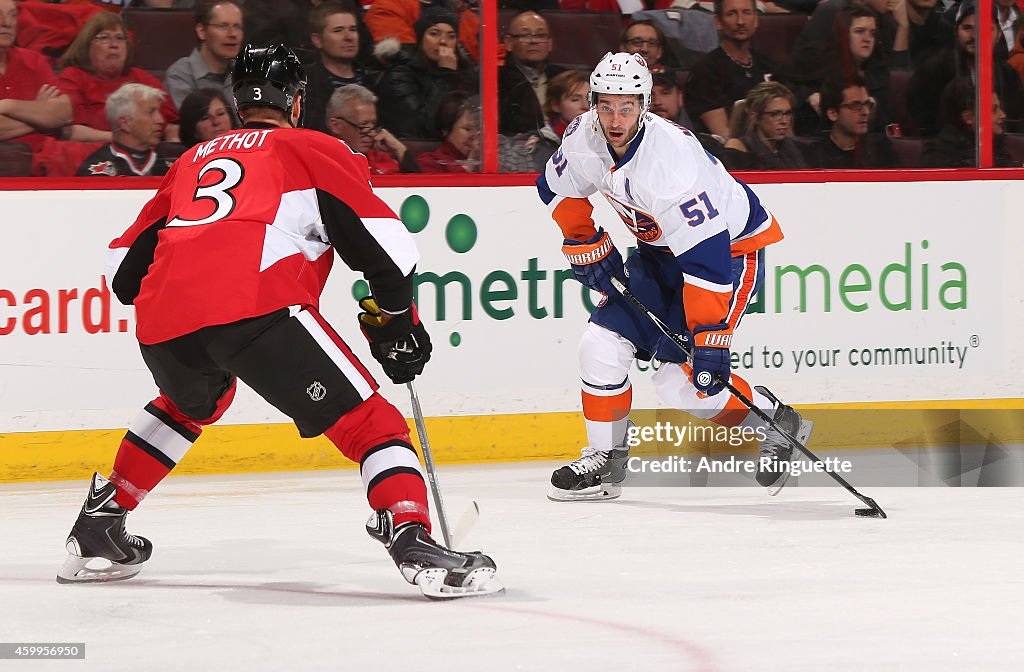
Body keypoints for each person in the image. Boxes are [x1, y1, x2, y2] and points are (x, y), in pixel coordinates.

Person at [57, 44, 502, 600]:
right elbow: (384, 248)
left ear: (239, 102)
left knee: (192, 403)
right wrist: (395, 320)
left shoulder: (191, 162)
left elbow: (124, 275)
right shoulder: (313, 147)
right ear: (296, 101)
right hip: (255, 305)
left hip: (162, 322)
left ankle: (102, 521)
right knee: (373, 426)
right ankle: (411, 536)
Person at [536, 52, 813, 501]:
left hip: (729, 253)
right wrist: (583, 240)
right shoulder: (581, 136)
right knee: (600, 345)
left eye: (627, 106)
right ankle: (605, 462)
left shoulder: (671, 166)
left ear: (645, 105)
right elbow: (555, 187)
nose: (615, 118)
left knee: (681, 383)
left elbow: (706, 262)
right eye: (605, 105)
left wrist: (710, 338)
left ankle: (774, 418)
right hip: (658, 252)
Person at [56, 11, 180, 142]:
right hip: (93, 154)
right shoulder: (73, 77)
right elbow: (70, 131)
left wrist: (172, 147)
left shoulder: (142, 78)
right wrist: (122, 140)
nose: (114, 45)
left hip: (148, 154)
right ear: (87, 45)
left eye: (120, 38)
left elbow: (171, 125)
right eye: (104, 38)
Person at [378, 7, 478, 139]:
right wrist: (446, 74)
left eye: (451, 36)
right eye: (434, 34)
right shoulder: (401, 73)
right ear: (421, 39)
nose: (443, 41)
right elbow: (424, 126)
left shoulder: (467, 71)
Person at [684, 0, 776, 138]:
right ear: (718, 21)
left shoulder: (768, 64)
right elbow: (726, 137)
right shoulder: (705, 70)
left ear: (756, 19)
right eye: (732, 14)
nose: (740, 21)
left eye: (746, 13)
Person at [0, 0, 73, 156]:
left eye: (12, 15)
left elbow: (64, 113)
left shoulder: (35, 60)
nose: (6, 23)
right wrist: (40, 114)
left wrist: (8, 106)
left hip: (49, 161)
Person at [303, 1, 379, 134]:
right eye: (338, 30)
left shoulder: (376, 81)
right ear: (317, 40)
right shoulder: (304, 83)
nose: (349, 37)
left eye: (353, 29)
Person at [77, 83, 181, 176]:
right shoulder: (96, 173)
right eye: (150, 112)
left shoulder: (173, 167)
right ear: (125, 123)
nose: (161, 120)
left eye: (158, 112)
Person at [163, 0, 243, 111]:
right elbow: (196, 125)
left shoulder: (245, 72)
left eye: (237, 27)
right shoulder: (180, 76)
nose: (233, 34)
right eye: (223, 26)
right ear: (202, 31)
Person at [808, 73, 900, 168]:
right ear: (833, 114)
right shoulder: (814, 155)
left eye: (867, 104)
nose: (866, 112)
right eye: (856, 106)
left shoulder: (881, 148)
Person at [921, 77, 1017, 166]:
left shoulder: (999, 145)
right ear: (968, 117)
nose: (1003, 115)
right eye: (994, 110)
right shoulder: (938, 155)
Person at [326, 84, 417, 173]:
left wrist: (398, 148)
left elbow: (417, 186)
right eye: (363, 125)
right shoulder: (323, 162)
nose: (372, 134)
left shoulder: (380, 159)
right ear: (336, 126)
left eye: (373, 125)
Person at [724, 81, 808, 169]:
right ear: (755, 116)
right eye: (774, 114)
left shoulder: (795, 149)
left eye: (787, 113)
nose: (784, 121)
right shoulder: (739, 149)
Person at [416, 90, 480, 172]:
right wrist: (472, 161)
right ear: (445, 129)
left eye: (479, 129)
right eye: (468, 129)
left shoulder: (488, 162)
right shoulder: (429, 162)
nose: (475, 135)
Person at [544, 68, 589, 138]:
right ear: (555, 105)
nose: (586, 106)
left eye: (589, 99)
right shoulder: (542, 141)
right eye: (575, 99)